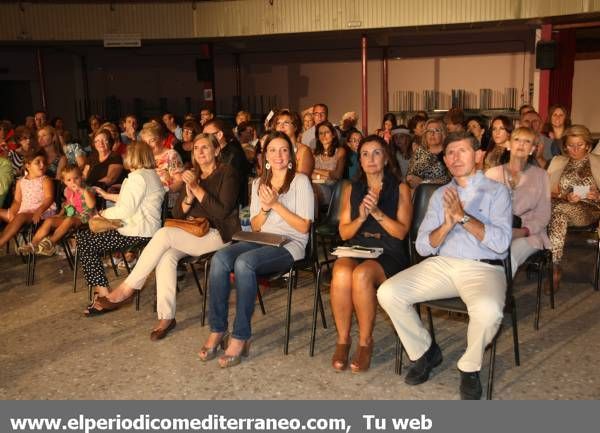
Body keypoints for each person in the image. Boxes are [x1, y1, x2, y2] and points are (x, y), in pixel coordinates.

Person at [378, 131, 512, 400]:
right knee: (388, 292)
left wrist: (463, 218)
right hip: (443, 265)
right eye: (450, 153)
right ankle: (425, 352)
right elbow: (423, 247)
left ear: (478, 155)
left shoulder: (498, 192)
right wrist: (447, 224)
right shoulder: (441, 194)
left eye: (462, 151)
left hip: (484, 267)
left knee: (488, 311)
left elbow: (501, 242)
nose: (454, 157)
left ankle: (469, 367)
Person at [84, 134, 240, 340]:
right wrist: (188, 198)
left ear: (217, 151)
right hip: (192, 232)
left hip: (218, 234)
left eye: (205, 148)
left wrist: (195, 189)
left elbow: (222, 212)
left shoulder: (228, 173)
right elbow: (177, 213)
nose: (200, 152)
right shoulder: (194, 175)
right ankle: (166, 317)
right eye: (196, 148)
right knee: (166, 257)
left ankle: (125, 290)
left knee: (164, 234)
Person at [198, 131, 313, 367]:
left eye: (283, 150)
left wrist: (275, 205)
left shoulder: (301, 181)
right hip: (264, 239)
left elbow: (303, 227)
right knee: (220, 258)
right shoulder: (259, 183)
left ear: (290, 155)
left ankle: (241, 335)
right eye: (272, 150)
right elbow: (256, 225)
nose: (278, 155)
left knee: (244, 263)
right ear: (265, 157)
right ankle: (218, 329)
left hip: (291, 243)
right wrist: (265, 209)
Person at [330, 135, 411, 372]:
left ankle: (365, 342)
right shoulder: (351, 189)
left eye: (377, 153)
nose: (370, 158)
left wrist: (376, 213)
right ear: (360, 161)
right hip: (358, 246)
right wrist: (361, 218)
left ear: (386, 158)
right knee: (342, 271)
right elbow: (344, 233)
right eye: (365, 154)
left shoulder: (401, 188)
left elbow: (401, 233)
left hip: (389, 251)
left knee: (362, 274)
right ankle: (343, 340)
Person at [78, 141, 165, 301]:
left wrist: (102, 214)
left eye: (127, 154)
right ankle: (101, 290)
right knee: (87, 239)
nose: (124, 156)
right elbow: (137, 200)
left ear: (134, 156)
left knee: (85, 241)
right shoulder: (150, 174)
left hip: (137, 232)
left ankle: (103, 294)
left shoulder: (137, 177)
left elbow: (126, 209)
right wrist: (108, 196)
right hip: (148, 229)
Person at [485, 127, 551, 276]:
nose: (521, 144)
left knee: (510, 256)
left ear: (532, 149)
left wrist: (523, 231)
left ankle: (502, 295)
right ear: (508, 145)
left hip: (529, 233)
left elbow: (543, 214)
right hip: (497, 231)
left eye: (527, 141)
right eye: (517, 140)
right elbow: (483, 210)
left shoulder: (542, 176)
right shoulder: (491, 174)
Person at [547, 125, 600, 290]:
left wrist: (598, 195)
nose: (575, 149)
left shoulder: (597, 162)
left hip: (588, 210)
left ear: (588, 145)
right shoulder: (557, 162)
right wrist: (565, 196)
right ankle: (555, 267)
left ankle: (552, 267)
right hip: (561, 206)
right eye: (571, 145)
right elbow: (547, 192)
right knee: (558, 216)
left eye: (580, 145)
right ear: (565, 146)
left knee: (554, 210)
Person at [18, 164, 96, 256]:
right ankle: (33, 244)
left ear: (81, 177)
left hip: (86, 218)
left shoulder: (88, 189)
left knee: (69, 219)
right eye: (69, 180)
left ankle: (50, 242)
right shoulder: (67, 191)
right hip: (71, 217)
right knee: (50, 221)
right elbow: (68, 204)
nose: (73, 182)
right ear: (64, 182)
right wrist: (60, 214)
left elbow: (91, 205)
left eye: (76, 178)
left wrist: (82, 190)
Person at [0, 151, 57, 250]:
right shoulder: (21, 182)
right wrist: (13, 212)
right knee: (14, 215)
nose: (42, 165)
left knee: (20, 217)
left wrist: (39, 210)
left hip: (40, 213)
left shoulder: (45, 180)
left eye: (44, 162)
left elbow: (49, 198)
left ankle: (1, 243)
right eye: (37, 162)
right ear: (28, 165)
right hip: (23, 212)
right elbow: (17, 201)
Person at [203, 118, 249, 206]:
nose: (203, 139)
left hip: (232, 206)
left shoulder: (232, 154)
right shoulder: (222, 151)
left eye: (207, 135)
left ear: (220, 134)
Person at [406, 118, 450, 189]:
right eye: (429, 131)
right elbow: (410, 175)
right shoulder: (419, 151)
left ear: (443, 134)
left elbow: (451, 179)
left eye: (436, 130)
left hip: (442, 194)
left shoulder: (449, 152)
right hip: (419, 194)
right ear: (425, 134)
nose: (432, 134)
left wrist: (423, 182)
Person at [311, 121, 346, 208]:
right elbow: (308, 173)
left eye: (327, 132)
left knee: (311, 190)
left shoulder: (340, 151)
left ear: (333, 135)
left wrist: (314, 170)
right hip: (314, 185)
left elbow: (337, 175)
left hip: (332, 189)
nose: (323, 136)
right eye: (321, 133)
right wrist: (326, 176)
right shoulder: (313, 153)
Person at [274, 109, 314, 177]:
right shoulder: (273, 150)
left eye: (286, 123)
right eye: (278, 123)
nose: (281, 126)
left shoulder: (304, 150)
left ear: (295, 127)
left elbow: (302, 179)